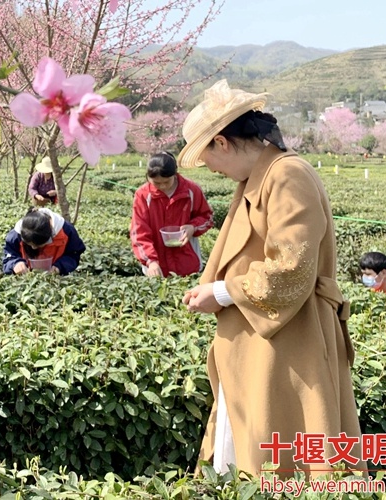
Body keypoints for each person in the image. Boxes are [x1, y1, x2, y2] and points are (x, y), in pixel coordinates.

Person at [179, 80, 363, 478]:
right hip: (263, 340)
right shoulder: (256, 179)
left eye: (208, 157)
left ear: (223, 143)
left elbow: (291, 267)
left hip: (290, 340)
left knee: (283, 460)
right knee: (251, 456)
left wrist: (224, 292)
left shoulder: (287, 175)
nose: (211, 169)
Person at [130, 152, 213, 277]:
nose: (162, 186)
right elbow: (139, 232)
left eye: (167, 181)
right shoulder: (143, 195)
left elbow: (207, 217)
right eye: (156, 183)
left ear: (175, 174)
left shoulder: (191, 190)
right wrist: (151, 261)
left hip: (187, 263)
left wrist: (193, 227)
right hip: (156, 268)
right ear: (148, 177)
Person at [2, 208, 85, 276]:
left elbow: (74, 254)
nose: (33, 248)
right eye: (29, 244)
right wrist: (15, 264)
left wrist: (60, 267)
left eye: (38, 245)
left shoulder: (66, 231)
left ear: (50, 236)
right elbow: (9, 254)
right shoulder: (15, 235)